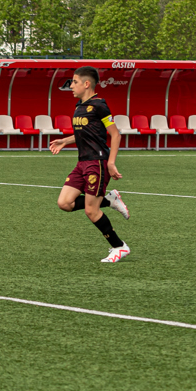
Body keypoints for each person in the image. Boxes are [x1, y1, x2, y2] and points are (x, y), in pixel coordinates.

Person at [48, 66, 132, 263]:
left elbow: (115, 135)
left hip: (97, 163)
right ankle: (109, 200)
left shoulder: (99, 106)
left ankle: (119, 247)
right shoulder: (79, 106)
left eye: (74, 82)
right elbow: (84, 133)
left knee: (91, 210)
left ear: (86, 84)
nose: (71, 86)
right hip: (82, 163)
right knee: (64, 203)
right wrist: (64, 141)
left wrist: (111, 163)